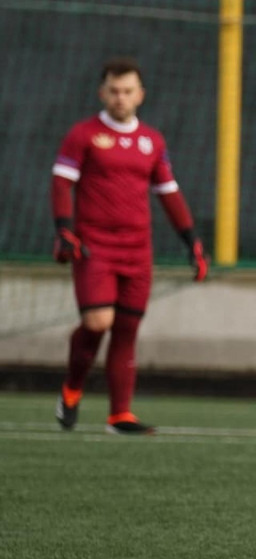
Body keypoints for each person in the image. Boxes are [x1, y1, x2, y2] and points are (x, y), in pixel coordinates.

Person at [51, 57, 208, 435]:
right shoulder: (83, 134)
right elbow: (61, 182)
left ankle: (120, 414)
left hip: (138, 250)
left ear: (140, 95)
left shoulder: (152, 140)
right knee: (98, 321)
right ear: (102, 93)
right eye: (114, 91)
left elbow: (168, 192)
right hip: (95, 246)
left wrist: (193, 242)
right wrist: (64, 229)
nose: (120, 98)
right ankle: (72, 388)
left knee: (126, 328)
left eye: (127, 91)